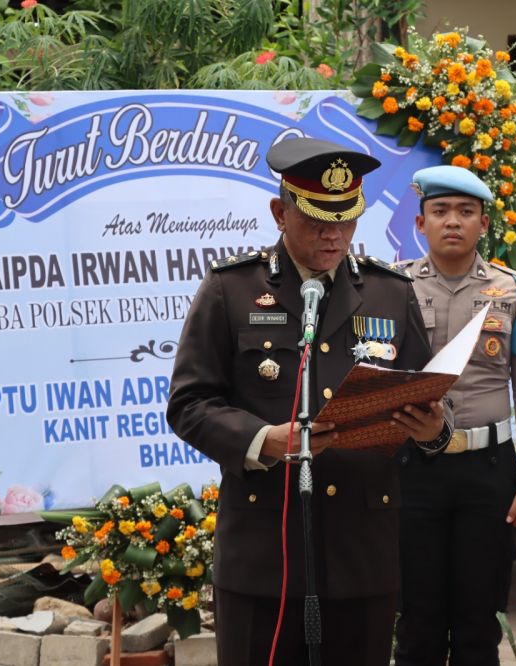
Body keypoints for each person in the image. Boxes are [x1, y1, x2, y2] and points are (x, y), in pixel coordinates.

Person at [166, 137, 452, 664]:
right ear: (280, 212)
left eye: (346, 220)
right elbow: (190, 403)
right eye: (318, 219)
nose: (333, 234)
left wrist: (433, 431)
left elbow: (429, 399)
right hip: (264, 553)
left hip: (360, 553)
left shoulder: (390, 291)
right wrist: (263, 440)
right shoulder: (232, 289)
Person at [395, 166, 516, 665]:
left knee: (477, 620)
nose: (453, 222)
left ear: (484, 224)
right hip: (411, 469)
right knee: (416, 620)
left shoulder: (514, 291)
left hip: (487, 471)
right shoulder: (389, 287)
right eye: (440, 211)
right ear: (420, 224)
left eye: (466, 212)